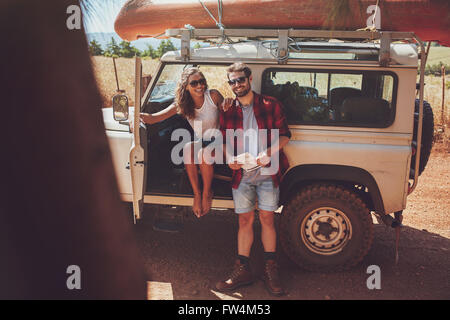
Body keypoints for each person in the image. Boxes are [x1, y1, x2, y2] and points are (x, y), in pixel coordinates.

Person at [216, 62, 291, 296]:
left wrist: (268, 153)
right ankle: (243, 270)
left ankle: (271, 269)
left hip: (268, 172)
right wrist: (229, 159)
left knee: (268, 219)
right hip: (242, 174)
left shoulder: (270, 105)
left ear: (249, 80)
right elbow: (225, 139)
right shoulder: (228, 109)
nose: (237, 85)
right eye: (232, 81)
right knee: (244, 222)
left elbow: (286, 135)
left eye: (240, 80)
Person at [139, 67, 232, 217]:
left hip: (220, 140)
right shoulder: (181, 104)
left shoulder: (213, 96)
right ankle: (197, 194)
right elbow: (154, 118)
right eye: (194, 83)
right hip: (202, 140)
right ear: (186, 87)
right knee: (188, 147)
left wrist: (227, 102)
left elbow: (228, 112)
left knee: (202, 153)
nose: (199, 86)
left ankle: (207, 192)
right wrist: (134, 117)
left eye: (201, 81)